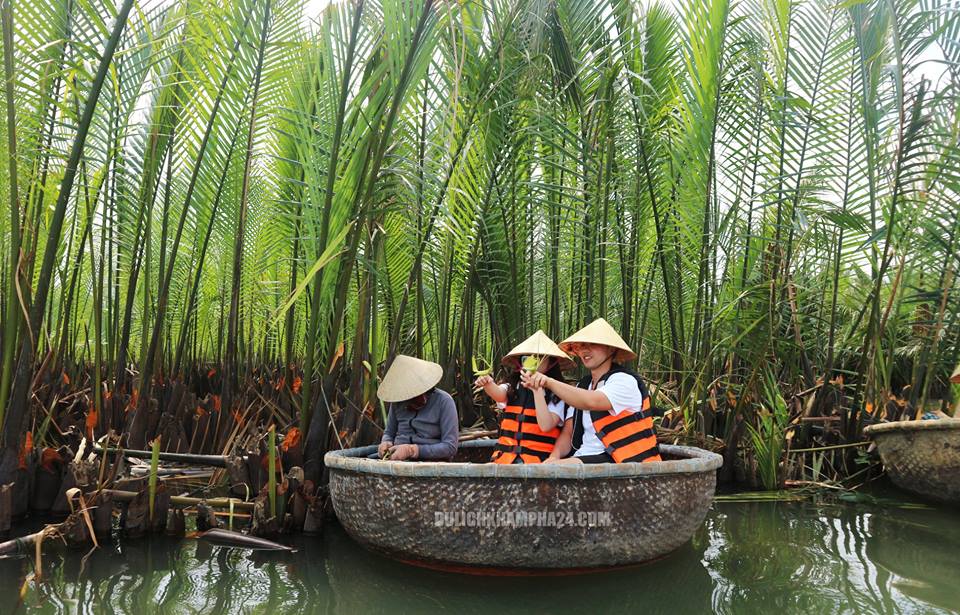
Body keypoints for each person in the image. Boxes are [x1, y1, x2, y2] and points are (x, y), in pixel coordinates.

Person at [521, 318, 661, 464]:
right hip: (585, 456)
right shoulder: (582, 386)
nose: (584, 351)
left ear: (611, 349)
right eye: (580, 346)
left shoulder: (623, 381)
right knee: (548, 465)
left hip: (617, 459)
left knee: (553, 468)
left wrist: (548, 381)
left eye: (592, 344)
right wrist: (554, 457)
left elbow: (591, 401)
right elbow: (568, 432)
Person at [475, 330, 574, 464]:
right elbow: (498, 395)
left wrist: (537, 391)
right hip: (505, 458)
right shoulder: (513, 386)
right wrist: (488, 384)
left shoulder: (558, 393)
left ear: (550, 363)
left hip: (538, 460)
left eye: (538, 358)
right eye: (526, 358)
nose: (531, 361)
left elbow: (546, 426)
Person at [376, 355, 459, 461]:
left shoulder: (444, 401)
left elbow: (450, 447)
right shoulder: (398, 400)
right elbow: (389, 432)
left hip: (433, 463)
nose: (409, 400)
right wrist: (386, 442)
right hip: (396, 460)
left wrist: (412, 450)